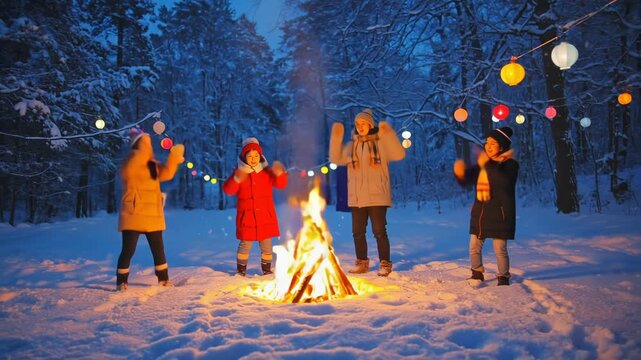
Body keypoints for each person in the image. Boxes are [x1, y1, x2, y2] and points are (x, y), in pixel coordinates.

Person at [329, 109, 405, 277]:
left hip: (377, 196)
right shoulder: (352, 145)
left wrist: (389, 134)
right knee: (357, 232)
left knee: (379, 231)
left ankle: (385, 263)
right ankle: (362, 263)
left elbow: (399, 154)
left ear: (370, 124)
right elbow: (336, 159)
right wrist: (336, 137)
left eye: (363, 123)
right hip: (357, 197)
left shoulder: (380, 143)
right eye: (357, 124)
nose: (360, 126)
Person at [116, 129, 185, 291]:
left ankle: (163, 279)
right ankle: (121, 282)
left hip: (152, 214)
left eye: (148, 144)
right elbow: (128, 173)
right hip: (133, 212)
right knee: (128, 250)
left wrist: (174, 158)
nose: (149, 147)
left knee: (158, 249)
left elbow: (166, 174)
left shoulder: (152, 165)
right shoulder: (130, 162)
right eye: (145, 143)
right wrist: (141, 151)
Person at [453, 126, 519, 286]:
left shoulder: (510, 164)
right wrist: (460, 174)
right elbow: (468, 180)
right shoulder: (484, 164)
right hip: (481, 212)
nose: (488, 146)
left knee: (500, 249)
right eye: (487, 143)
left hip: (500, 213)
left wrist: (486, 165)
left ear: (502, 147)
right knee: (474, 246)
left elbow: (503, 182)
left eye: (493, 143)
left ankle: (503, 277)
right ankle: (477, 273)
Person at [223, 137, 288, 276]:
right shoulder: (239, 173)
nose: (253, 158)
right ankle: (241, 271)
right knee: (245, 245)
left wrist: (280, 173)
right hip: (247, 217)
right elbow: (228, 190)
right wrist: (235, 179)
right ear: (244, 156)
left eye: (256, 155)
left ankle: (266, 270)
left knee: (266, 246)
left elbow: (281, 184)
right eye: (250, 156)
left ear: (260, 156)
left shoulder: (266, 172)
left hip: (265, 215)